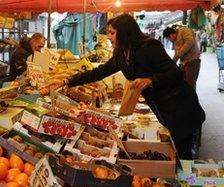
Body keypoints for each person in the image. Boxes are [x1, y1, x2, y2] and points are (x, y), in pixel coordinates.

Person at [48, 14, 205, 159]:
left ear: (124, 33)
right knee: (177, 150)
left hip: (180, 106)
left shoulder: (149, 47)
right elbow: (99, 72)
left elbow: (175, 73)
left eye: (112, 33)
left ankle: (189, 181)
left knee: (184, 155)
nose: (108, 37)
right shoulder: (122, 55)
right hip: (163, 108)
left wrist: (151, 80)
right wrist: (66, 82)